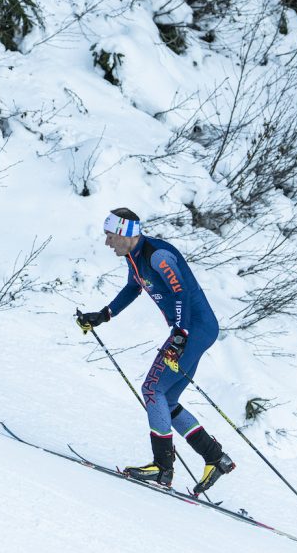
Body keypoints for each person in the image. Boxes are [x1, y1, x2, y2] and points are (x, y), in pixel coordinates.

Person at [77, 208, 234, 493]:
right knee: (167, 399)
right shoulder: (134, 257)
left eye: (110, 236)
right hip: (193, 330)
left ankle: (163, 467)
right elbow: (132, 288)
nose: (107, 242)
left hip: (193, 329)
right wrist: (103, 315)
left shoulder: (157, 256)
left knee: (152, 389)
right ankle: (215, 458)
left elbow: (181, 293)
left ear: (125, 234)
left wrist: (180, 334)